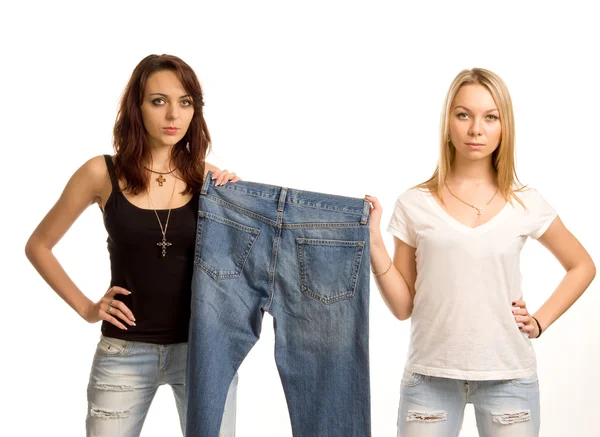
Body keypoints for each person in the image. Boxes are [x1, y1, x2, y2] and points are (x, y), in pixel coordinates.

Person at [365, 68, 595, 437]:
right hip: (429, 378)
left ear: (504, 126)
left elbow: (581, 265)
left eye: (490, 117)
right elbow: (403, 306)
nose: (476, 129)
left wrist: (539, 321)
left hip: (509, 378)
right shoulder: (414, 203)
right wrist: (375, 244)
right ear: (448, 122)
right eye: (463, 115)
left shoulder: (526, 202)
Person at [25, 54, 239, 437]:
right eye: (159, 101)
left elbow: (246, 262)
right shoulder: (101, 172)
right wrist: (88, 308)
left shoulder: (209, 179)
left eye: (185, 102)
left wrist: (238, 198)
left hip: (202, 353)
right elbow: (39, 245)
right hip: (124, 355)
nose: (173, 114)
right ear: (136, 108)